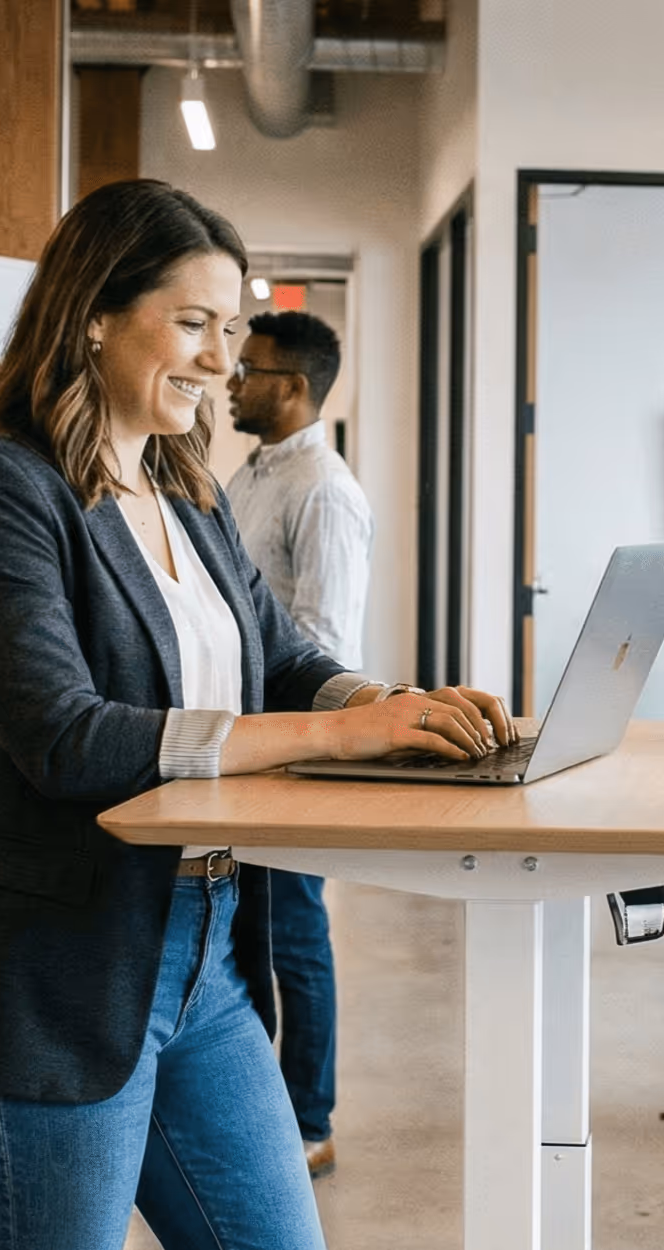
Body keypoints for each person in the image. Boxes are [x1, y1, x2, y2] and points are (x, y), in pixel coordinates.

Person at [0, 178, 511, 1250]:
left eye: (229, 332)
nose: (224, 361)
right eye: (193, 325)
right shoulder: (0, 489)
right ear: (91, 313)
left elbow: (279, 654)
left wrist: (390, 706)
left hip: (203, 953)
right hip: (48, 975)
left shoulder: (188, 489)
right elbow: (68, 736)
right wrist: (334, 737)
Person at [224, 308, 369, 1179]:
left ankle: (308, 1121)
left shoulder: (323, 489)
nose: (232, 380)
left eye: (248, 369)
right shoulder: (249, 475)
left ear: (294, 387)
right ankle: (262, 1106)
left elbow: (320, 640)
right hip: (245, 742)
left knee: (295, 937)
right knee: (252, 934)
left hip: (288, 744)